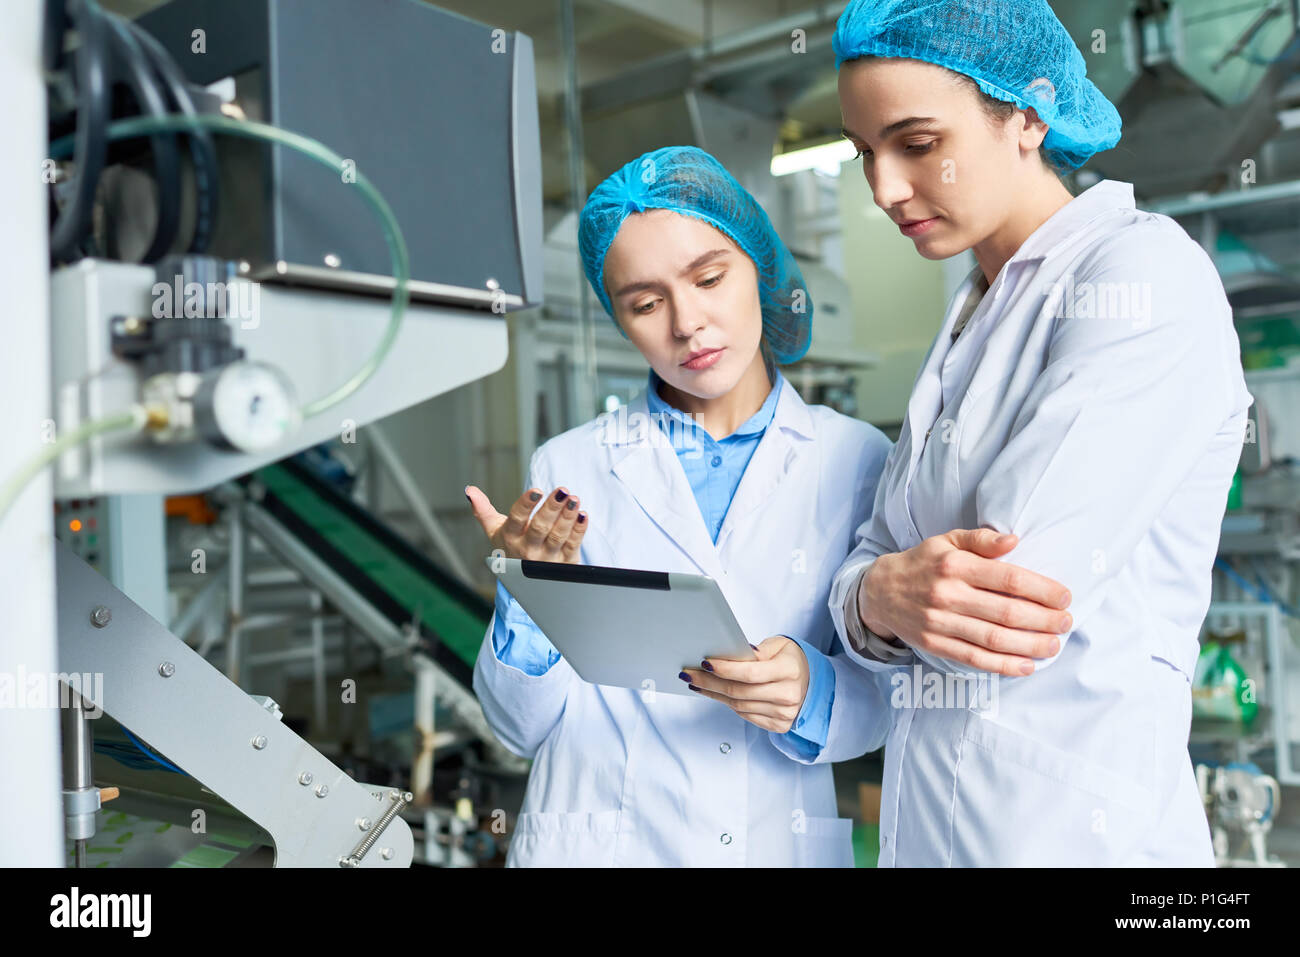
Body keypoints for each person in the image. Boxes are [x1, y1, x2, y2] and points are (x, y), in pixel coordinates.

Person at [823, 0, 1252, 866]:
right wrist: (876, 594)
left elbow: (1004, 598)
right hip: (942, 830)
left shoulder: (1141, 274)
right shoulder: (974, 318)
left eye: (916, 143)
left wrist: (878, 594)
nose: (884, 190)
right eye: (866, 153)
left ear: (1027, 112)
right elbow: (876, 575)